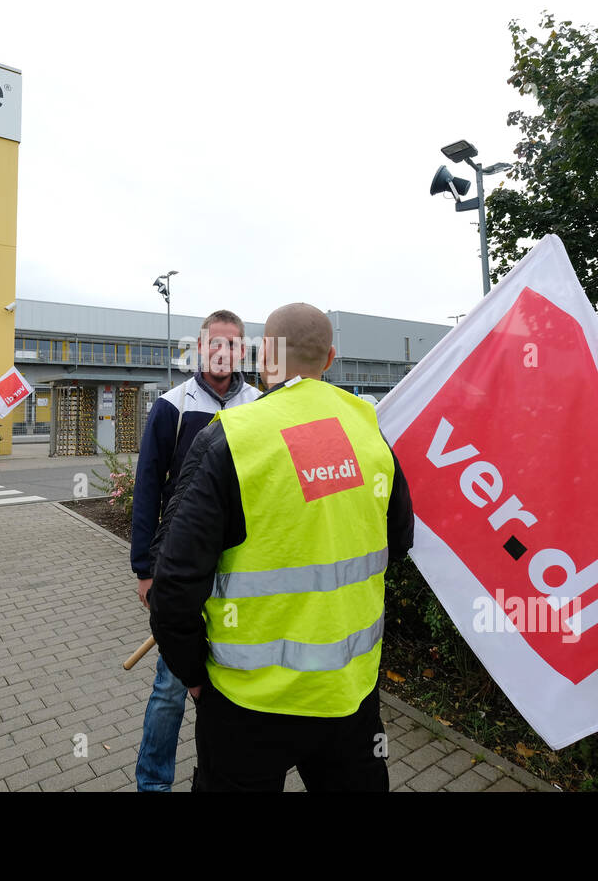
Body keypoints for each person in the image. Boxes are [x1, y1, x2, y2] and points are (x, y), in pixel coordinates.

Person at [149, 302, 414, 791]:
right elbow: (397, 543)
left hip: (247, 705)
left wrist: (193, 675)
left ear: (266, 356)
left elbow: (173, 585)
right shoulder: (369, 430)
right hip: (349, 696)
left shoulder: (231, 438)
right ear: (330, 358)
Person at [131, 309, 261, 791]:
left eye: (233, 343)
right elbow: (147, 489)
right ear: (200, 348)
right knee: (170, 688)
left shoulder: (259, 405)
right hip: (183, 570)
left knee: (230, 684)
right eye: (215, 343)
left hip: (242, 569)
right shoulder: (172, 406)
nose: (223, 352)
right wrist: (145, 571)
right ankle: (154, 784)